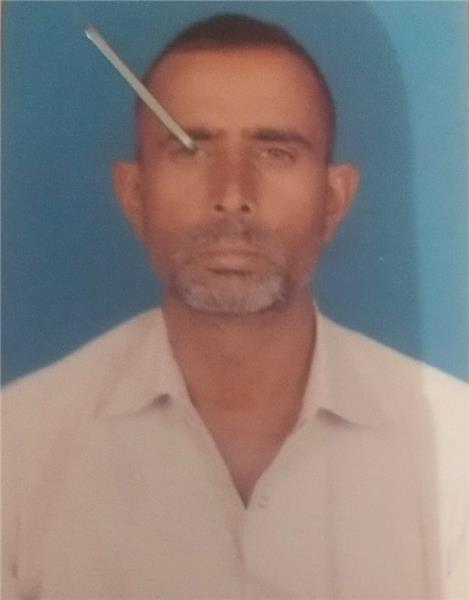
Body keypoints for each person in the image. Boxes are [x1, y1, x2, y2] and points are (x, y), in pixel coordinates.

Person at [3, 13, 468, 600]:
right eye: (189, 151)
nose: (231, 196)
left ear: (333, 200)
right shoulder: (17, 446)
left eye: (275, 153)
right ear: (134, 195)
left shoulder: (456, 450)